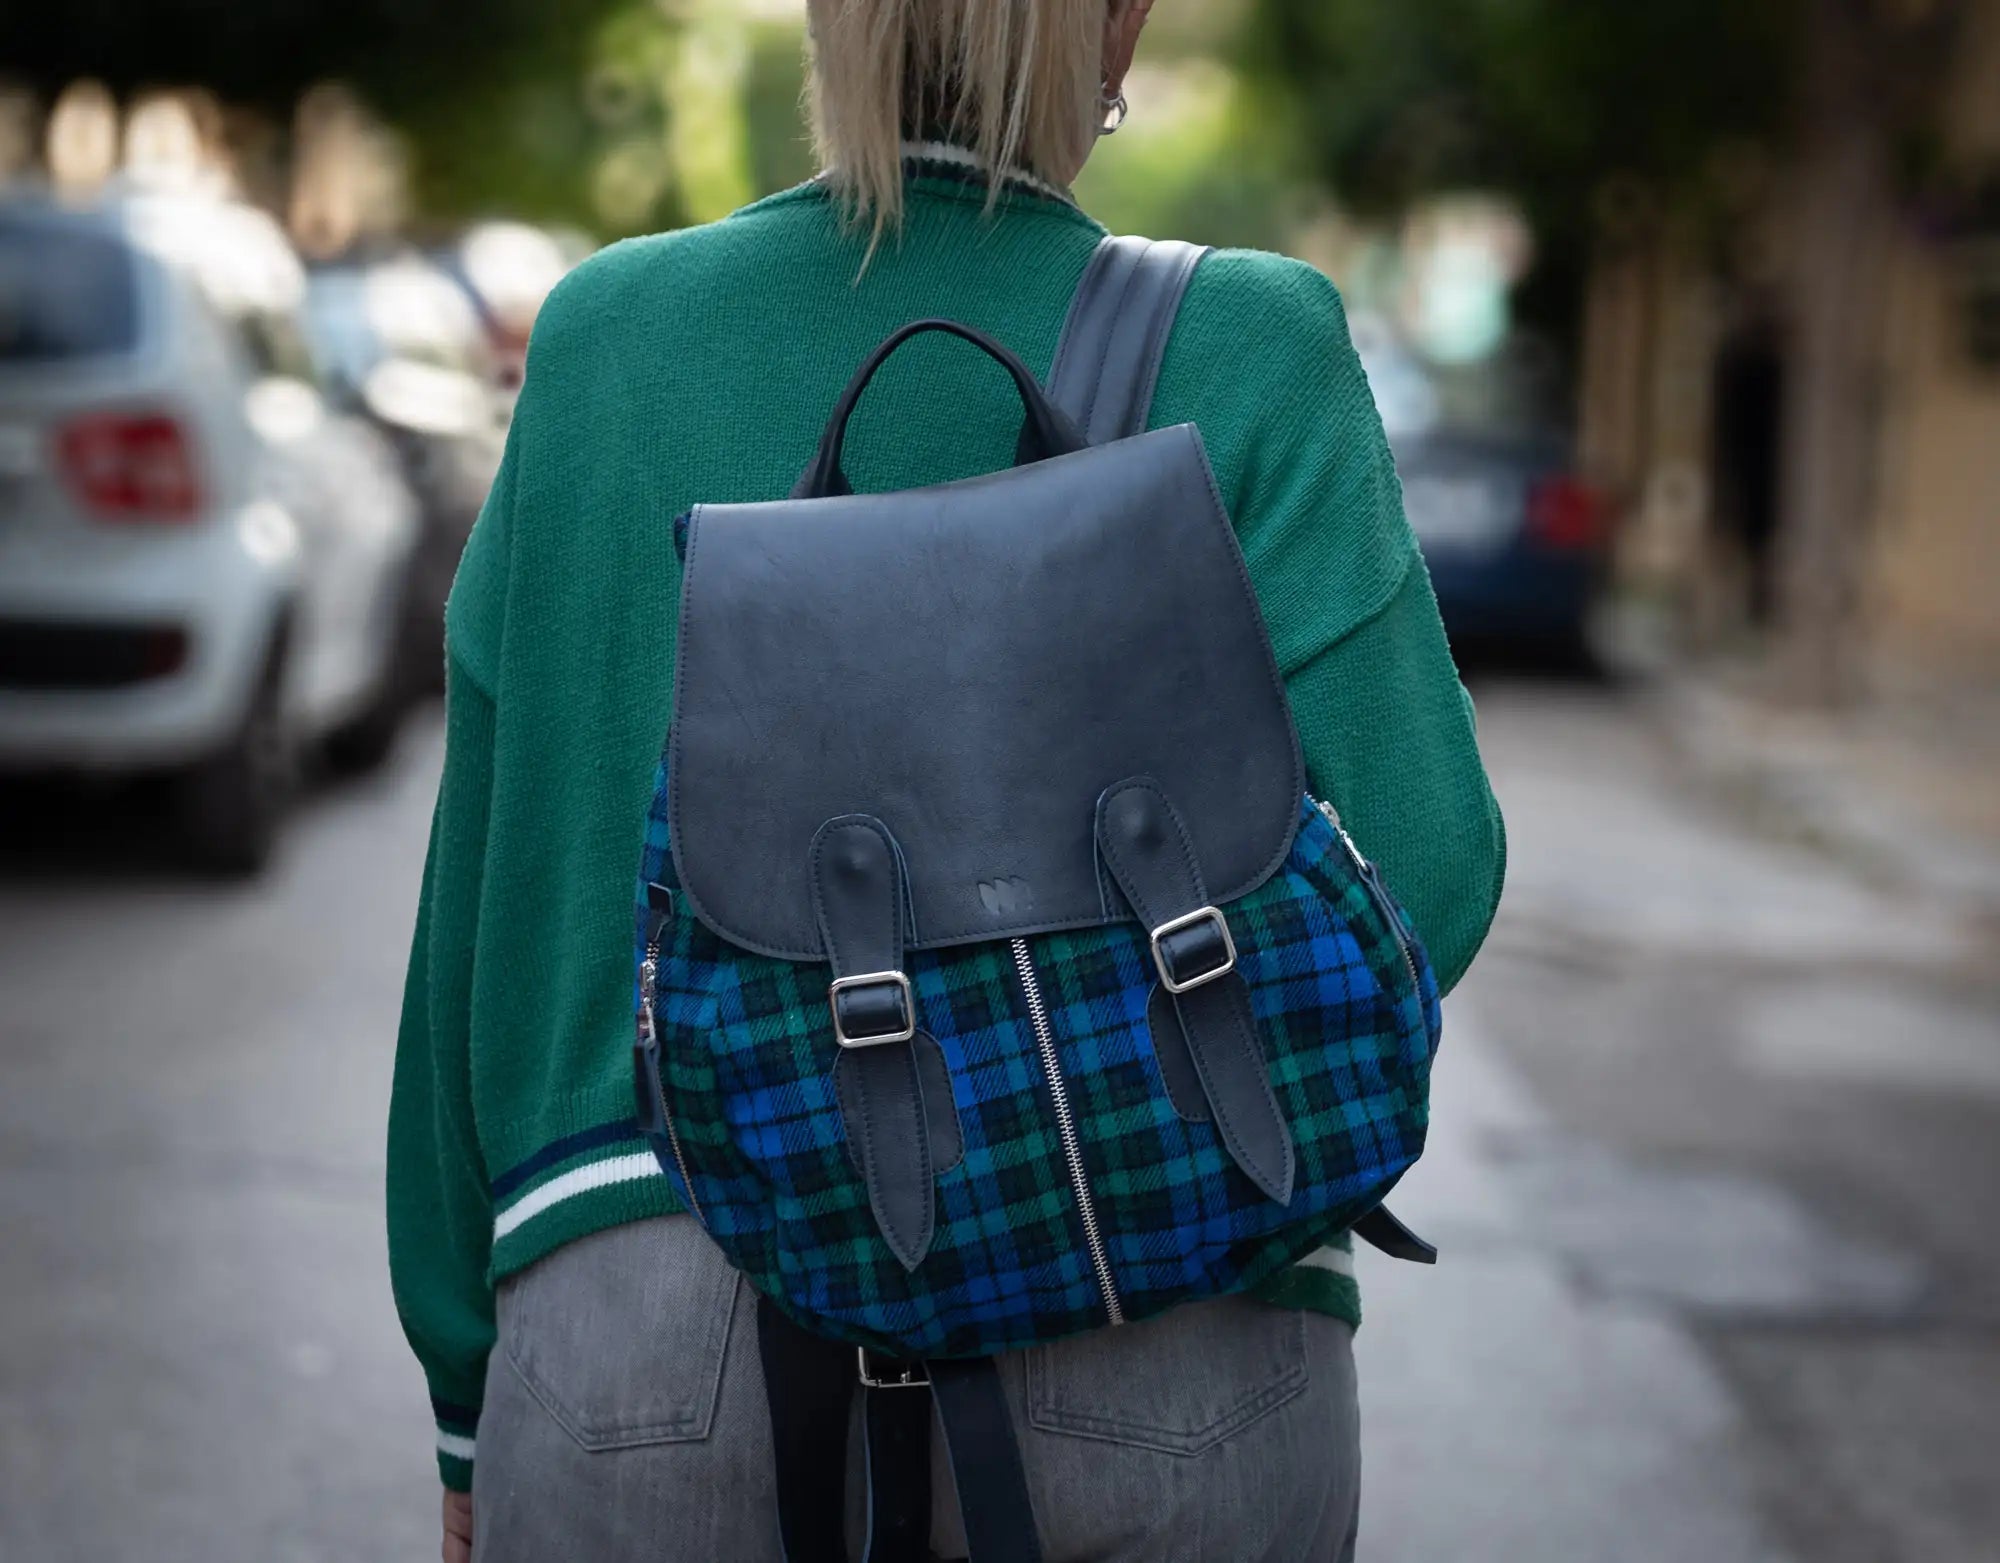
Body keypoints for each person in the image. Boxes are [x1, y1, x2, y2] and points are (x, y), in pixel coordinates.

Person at [387, 1, 1506, 1558]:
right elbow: (1430, 875)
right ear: (1117, 20)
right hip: (1165, 1299)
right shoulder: (1252, 346)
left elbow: (483, 927)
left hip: (648, 1326)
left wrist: (464, 1388)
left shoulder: (604, 340)